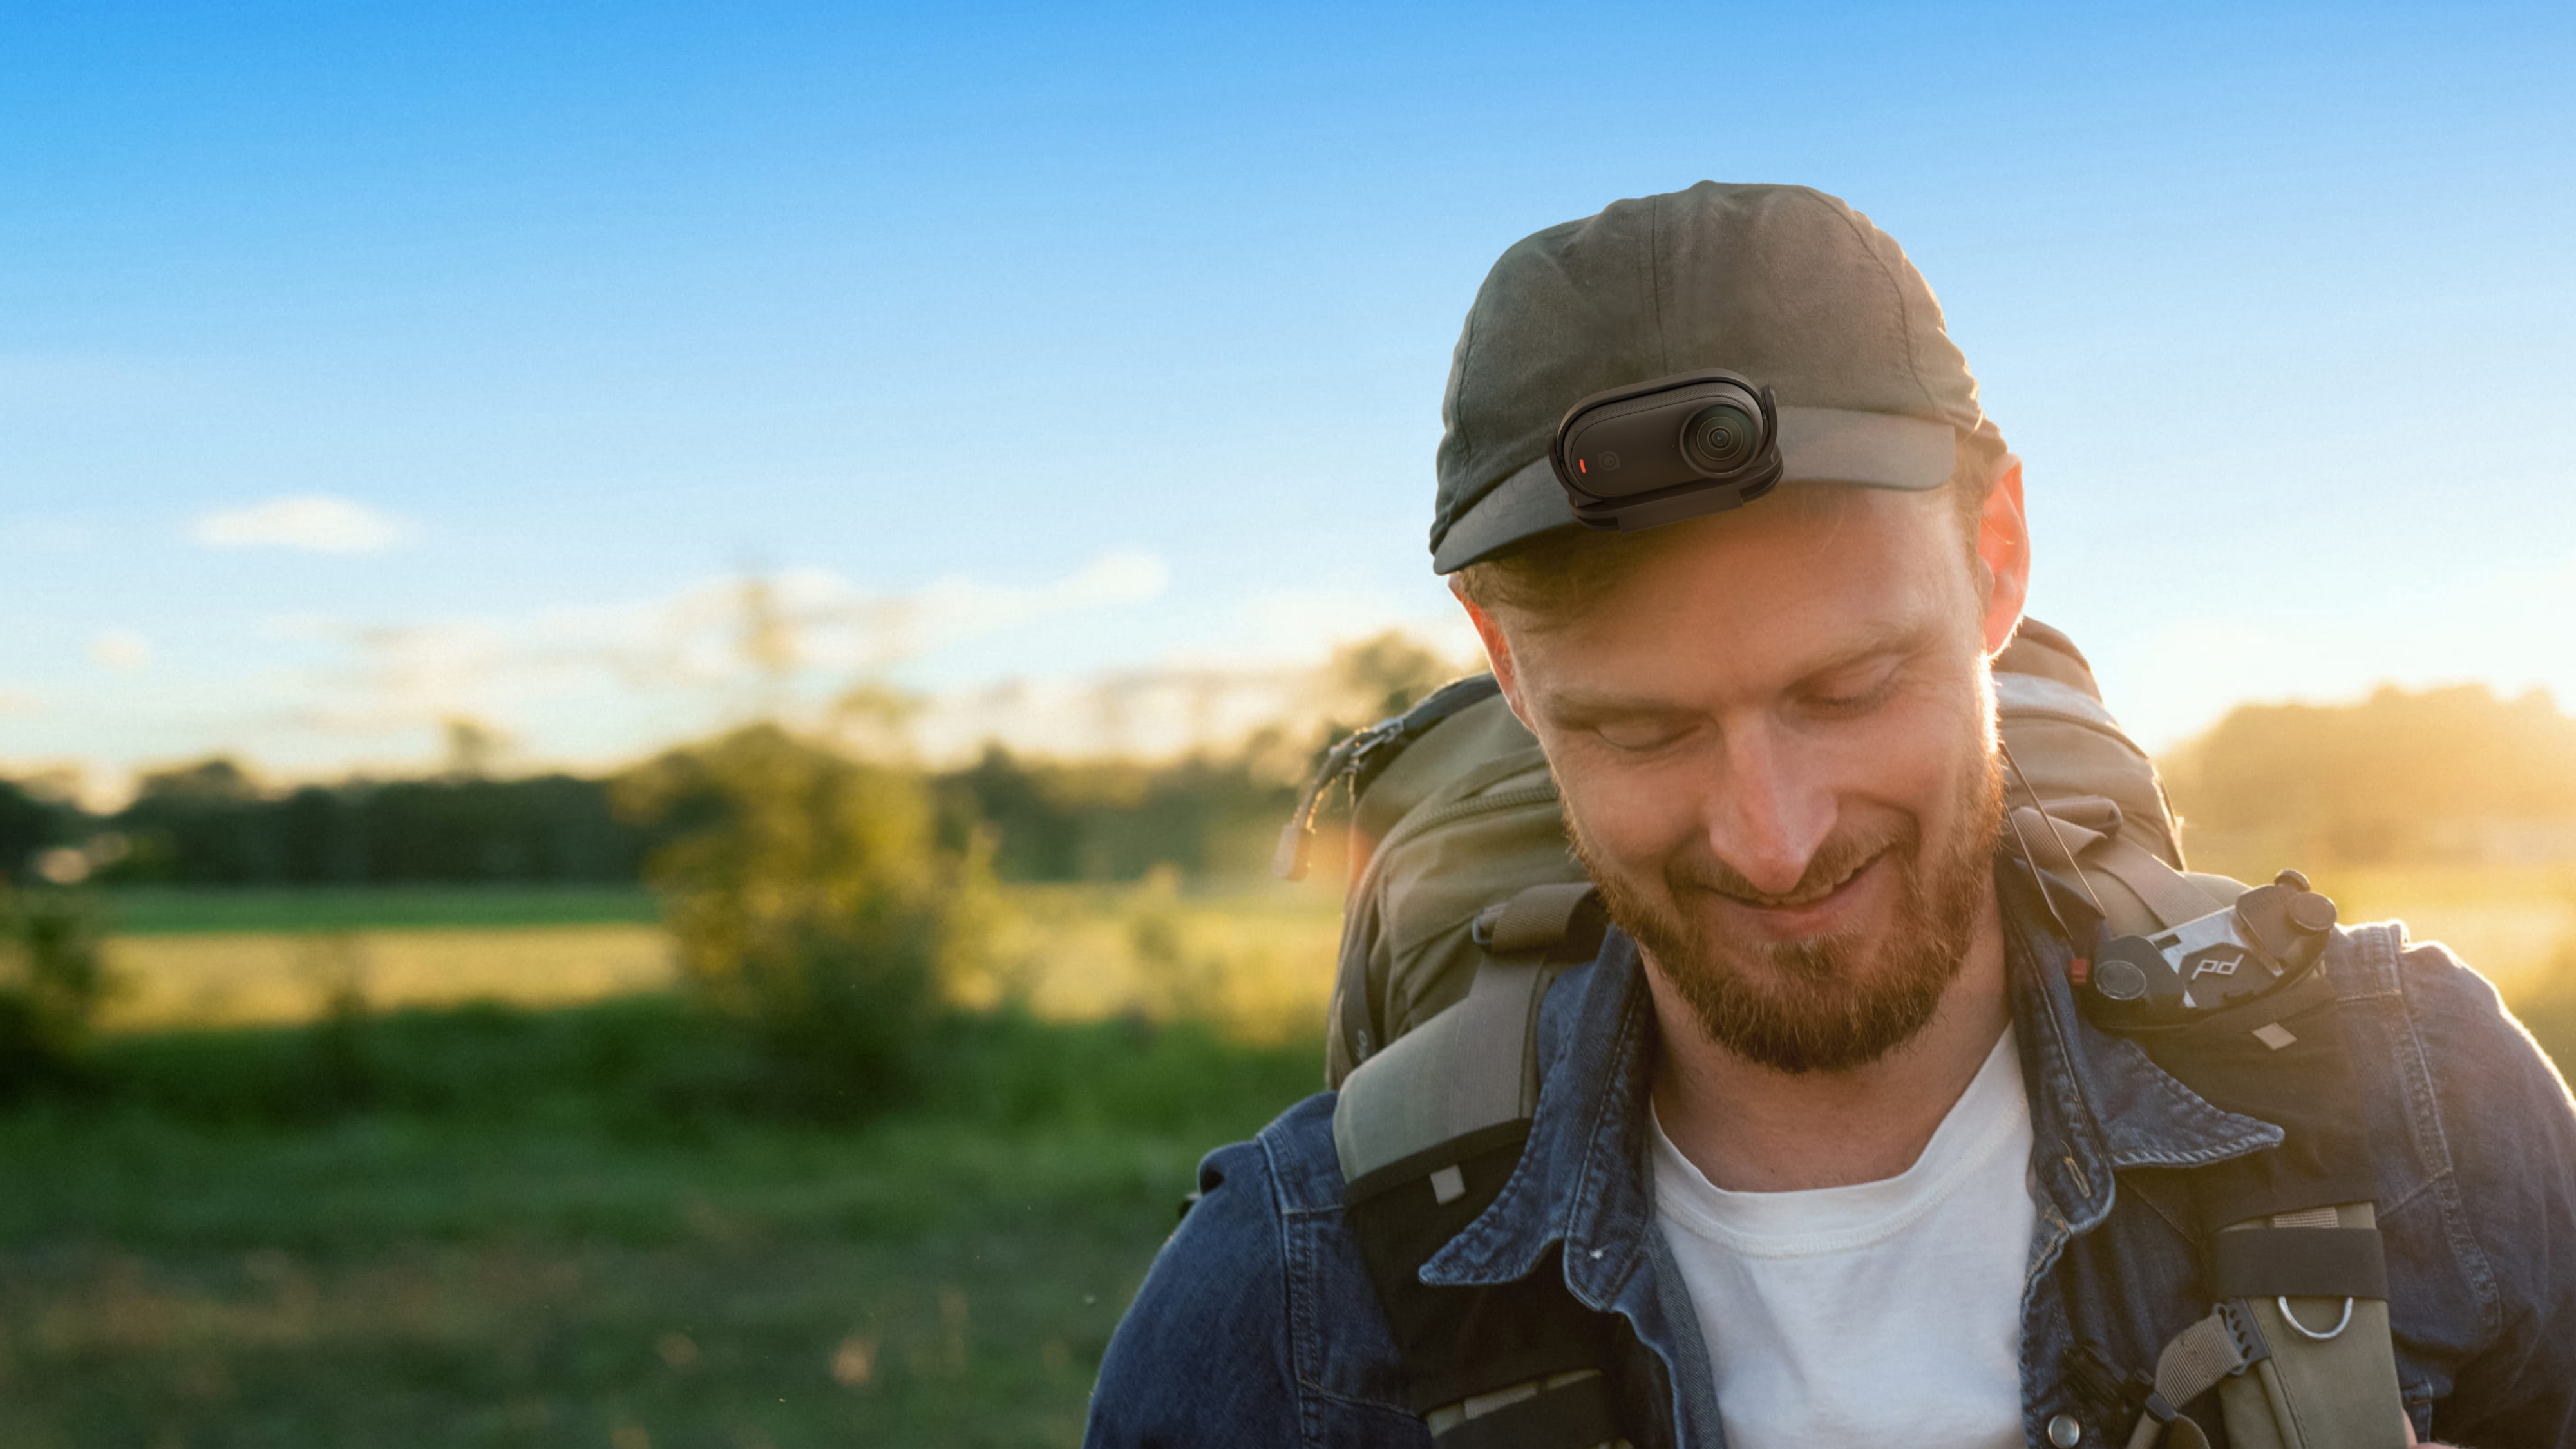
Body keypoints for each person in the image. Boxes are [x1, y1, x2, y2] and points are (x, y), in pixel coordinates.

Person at [1083, 182, 2576, 1448]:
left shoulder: (2422, 1109)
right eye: (1642, 728)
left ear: (1994, 556)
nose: (1771, 837)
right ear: (1504, 667)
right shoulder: (1287, 1295)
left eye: (1850, 687)